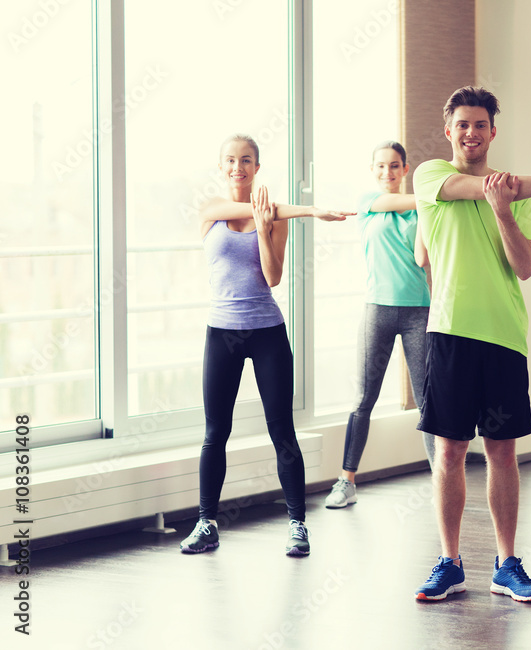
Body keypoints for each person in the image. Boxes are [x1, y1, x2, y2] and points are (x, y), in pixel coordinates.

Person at [412, 86, 531, 602]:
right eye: (463, 125)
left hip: (504, 337)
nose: (471, 133)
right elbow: (480, 192)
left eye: (481, 125)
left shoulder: (517, 199)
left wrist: (503, 211)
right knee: (450, 450)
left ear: (493, 132)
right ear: (449, 130)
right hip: (450, 332)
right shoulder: (430, 176)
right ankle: (449, 562)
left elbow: (523, 266)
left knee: (502, 451)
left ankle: (506, 563)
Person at [180, 134, 352, 556]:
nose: (238, 167)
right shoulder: (211, 211)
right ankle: (206, 524)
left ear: (258, 167)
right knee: (215, 433)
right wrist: (310, 209)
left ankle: (297, 525)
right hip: (222, 333)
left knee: (282, 430)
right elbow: (247, 208)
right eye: (231, 160)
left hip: (267, 332)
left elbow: (273, 277)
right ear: (221, 167)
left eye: (247, 160)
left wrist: (264, 226)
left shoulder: (277, 218)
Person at [324, 141, 436, 509]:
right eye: (381, 166)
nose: (387, 173)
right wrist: (429, 199)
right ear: (373, 171)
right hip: (378, 311)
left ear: (406, 169)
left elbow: (422, 258)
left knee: (427, 402)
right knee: (364, 398)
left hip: (419, 310)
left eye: (394, 166)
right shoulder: (368, 202)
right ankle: (346, 481)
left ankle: (442, 481)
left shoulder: (420, 212)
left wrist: (427, 214)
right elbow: (409, 201)